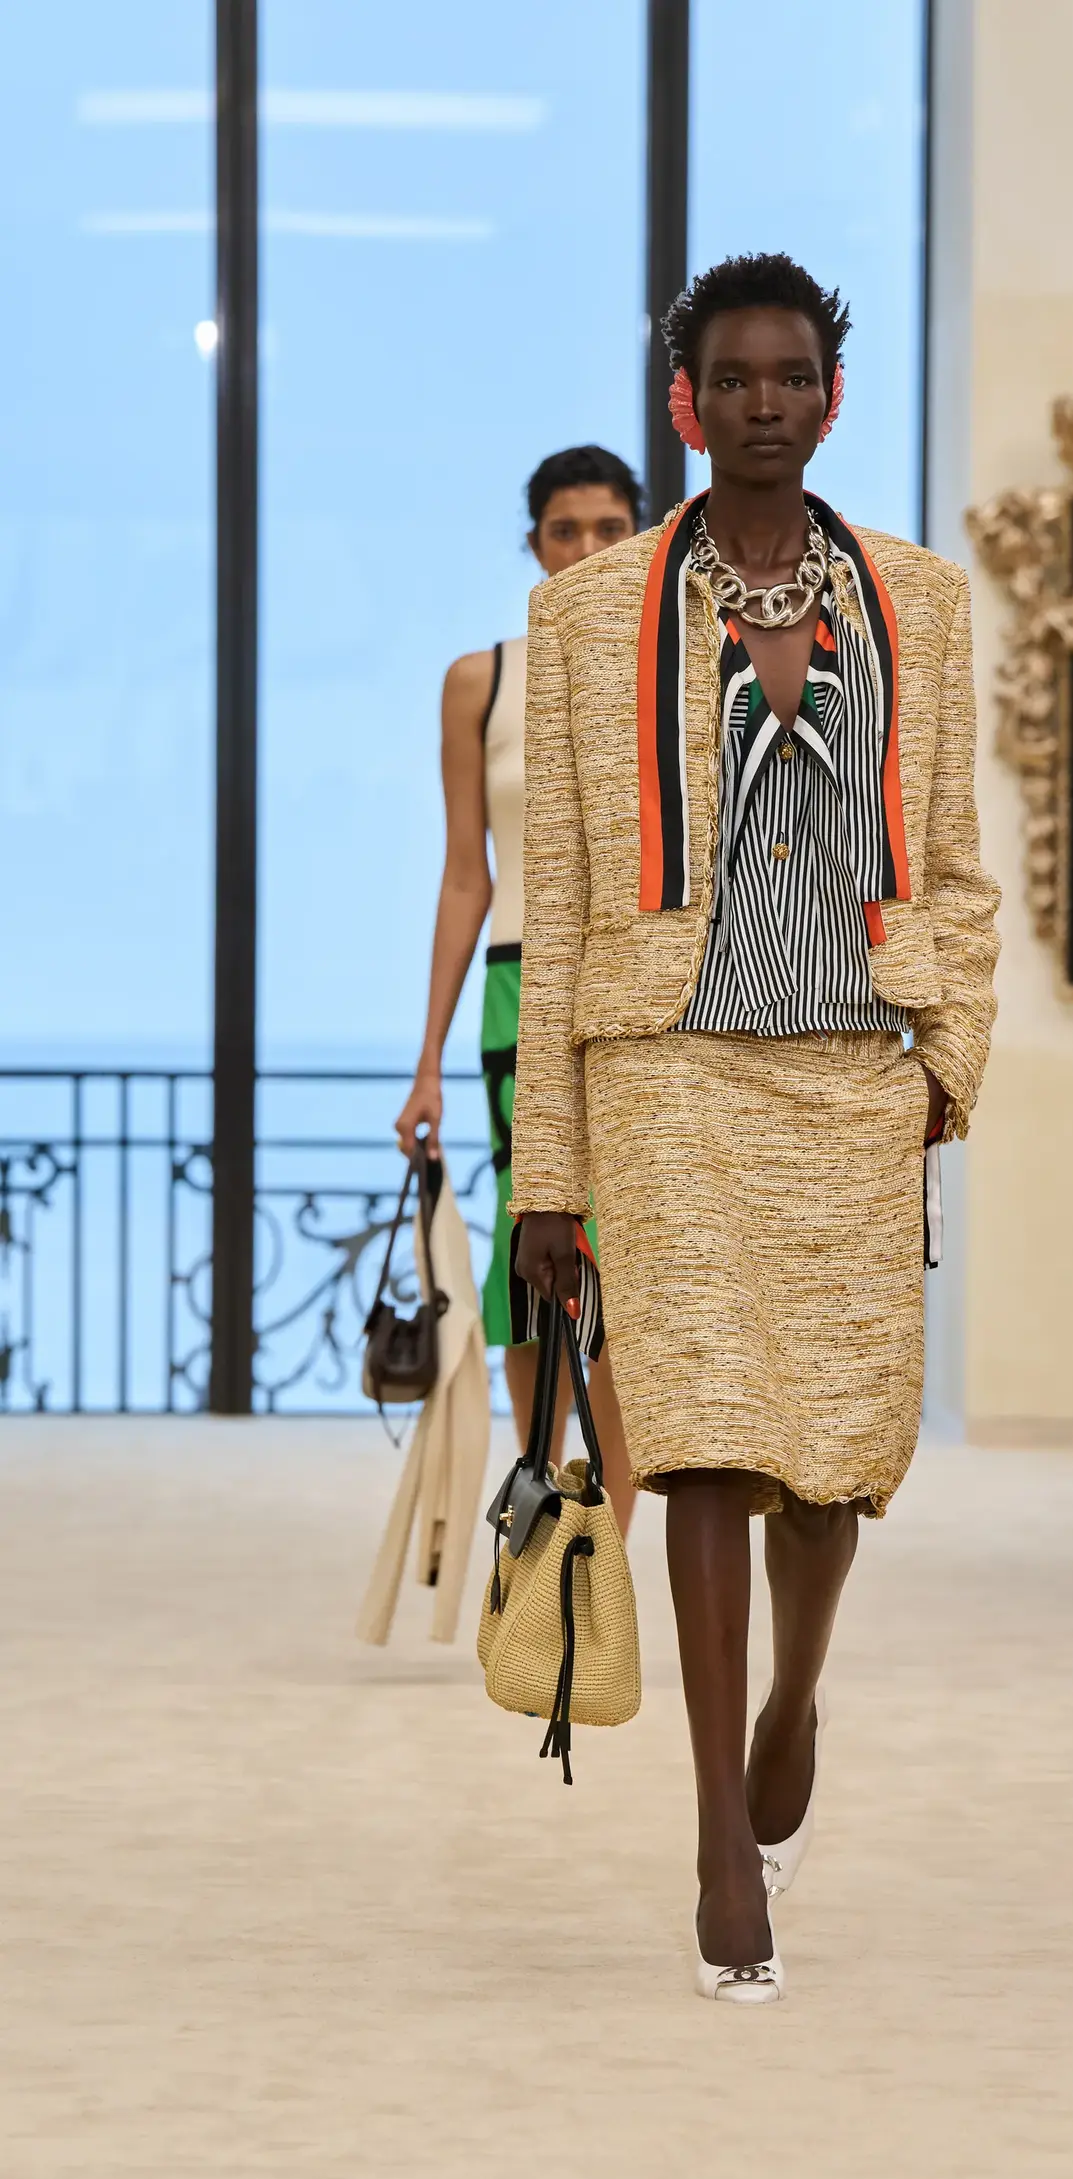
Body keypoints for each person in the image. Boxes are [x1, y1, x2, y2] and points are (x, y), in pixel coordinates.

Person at [511, 254, 1000, 2001]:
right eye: (735, 379)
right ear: (688, 402)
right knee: (706, 1439)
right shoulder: (590, 621)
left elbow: (956, 865)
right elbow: (560, 904)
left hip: (854, 1075)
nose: (766, 403)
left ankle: (797, 1695)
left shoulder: (920, 603)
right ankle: (724, 1832)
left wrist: (947, 1064)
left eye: (794, 376)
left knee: (830, 1463)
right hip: (670, 1076)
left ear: (831, 397)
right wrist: (550, 1171)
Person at [395, 446, 643, 1535]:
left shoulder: (676, 674)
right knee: (533, 1260)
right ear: (533, 543)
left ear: (641, 536)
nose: (586, 549)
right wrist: (426, 1063)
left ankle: (610, 1555)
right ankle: (542, 1538)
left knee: (626, 1261)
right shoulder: (482, 682)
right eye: (564, 530)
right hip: (518, 982)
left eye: (609, 528)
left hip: (639, 992)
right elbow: (466, 874)